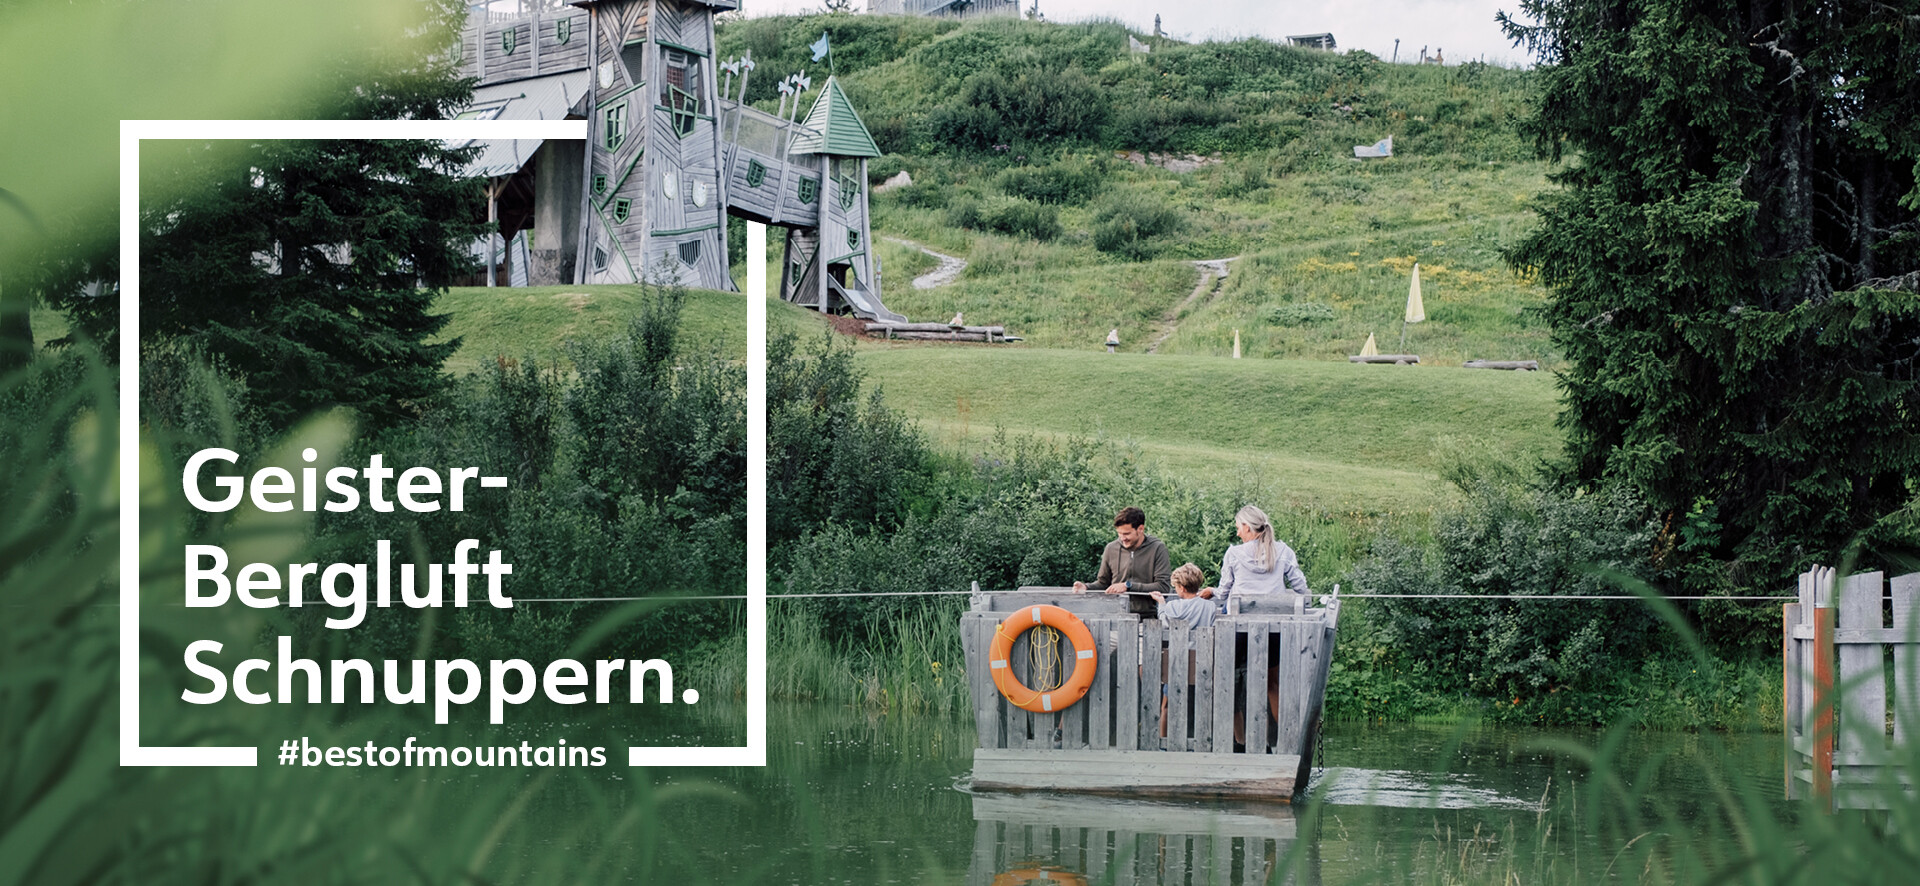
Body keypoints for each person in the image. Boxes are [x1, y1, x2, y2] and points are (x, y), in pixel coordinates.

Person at [1152, 563, 1213, 737]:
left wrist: (1161, 603)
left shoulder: (1173, 607)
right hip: (1202, 659)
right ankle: (1200, 738)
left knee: (1167, 704)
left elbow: (1164, 621)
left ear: (1182, 588)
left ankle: (1163, 741)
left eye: (1176, 587)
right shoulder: (1208, 606)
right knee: (1201, 703)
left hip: (1177, 660)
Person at [1211, 504, 1309, 614]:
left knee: (1227, 607)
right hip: (1276, 617)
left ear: (1247, 527)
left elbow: (1223, 593)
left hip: (1239, 617)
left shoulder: (1234, 554)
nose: (1238, 534)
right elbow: (1301, 588)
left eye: (1238, 528)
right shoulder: (1283, 551)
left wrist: (1211, 591)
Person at [1072, 506, 1170, 601]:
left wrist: (1128, 586)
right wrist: (1086, 588)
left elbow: (1163, 588)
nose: (1122, 538)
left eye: (1126, 534)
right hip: (1114, 611)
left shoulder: (1157, 548)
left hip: (1147, 615)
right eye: (1119, 533)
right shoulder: (1111, 549)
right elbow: (1103, 584)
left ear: (1140, 529)